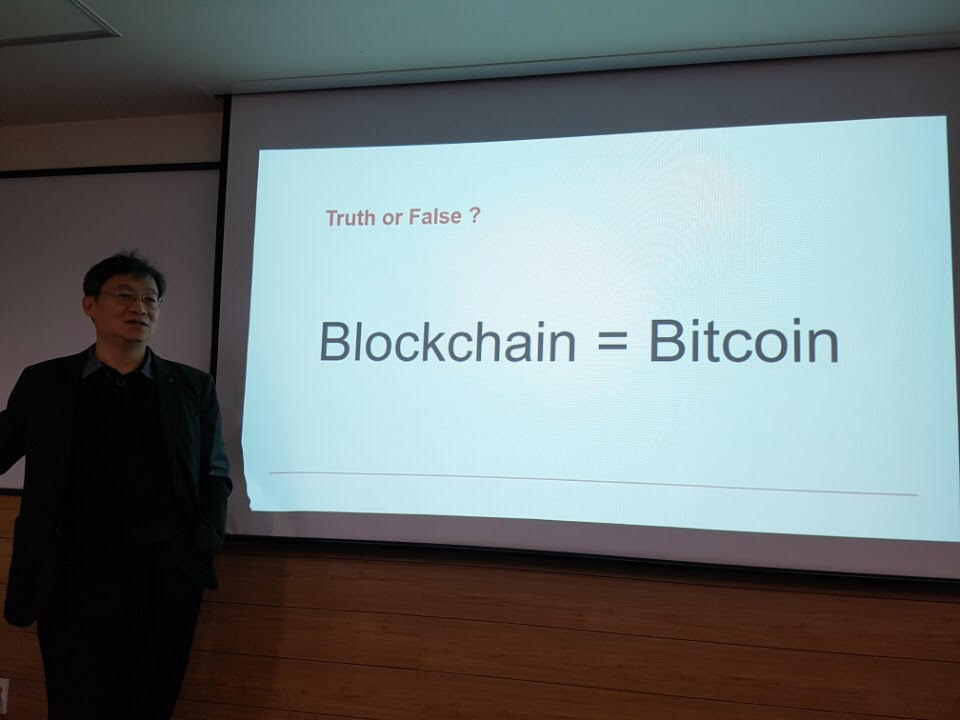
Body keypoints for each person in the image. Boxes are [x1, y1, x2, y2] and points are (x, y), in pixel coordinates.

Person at [0, 251, 232, 719]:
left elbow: (215, 472)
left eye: (150, 299)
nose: (139, 308)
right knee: (73, 700)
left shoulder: (192, 386)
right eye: (124, 295)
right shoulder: (45, 382)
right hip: (68, 575)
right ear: (90, 305)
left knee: (150, 702)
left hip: (164, 576)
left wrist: (202, 544)